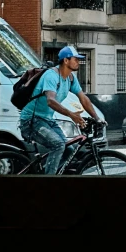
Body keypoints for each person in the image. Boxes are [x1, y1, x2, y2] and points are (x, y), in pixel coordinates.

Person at [19, 45, 104, 174]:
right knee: (58, 145)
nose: (78, 62)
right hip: (31, 121)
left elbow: (83, 98)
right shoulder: (51, 76)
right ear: (66, 60)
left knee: (69, 149)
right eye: (75, 59)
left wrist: (97, 118)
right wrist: (71, 115)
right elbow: (51, 101)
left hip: (47, 120)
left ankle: (50, 171)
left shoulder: (70, 78)